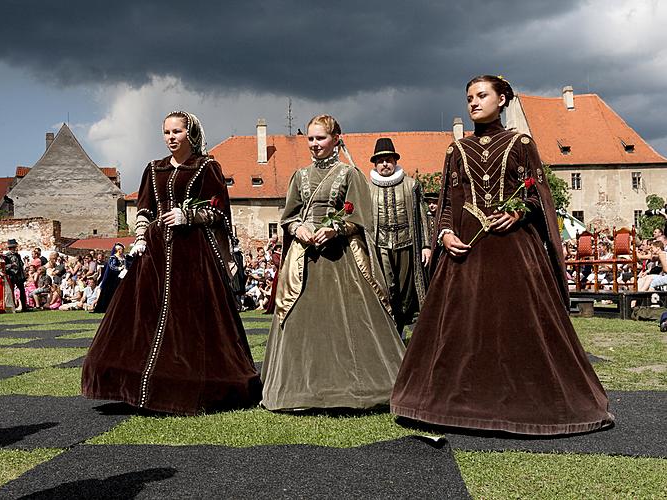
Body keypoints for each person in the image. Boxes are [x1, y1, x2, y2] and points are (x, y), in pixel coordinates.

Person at [391, 75, 613, 435]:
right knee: (457, 327)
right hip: (465, 253)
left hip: (513, 251)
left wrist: (519, 211)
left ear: (502, 99)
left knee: (520, 324)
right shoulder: (456, 150)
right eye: (469, 98)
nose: (473, 103)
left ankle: (529, 402)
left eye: (481, 96)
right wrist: (445, 233)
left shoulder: (521, 143)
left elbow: (537, 196)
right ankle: (452, 404)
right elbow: (448, 202)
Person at [82, 110, 261, 414]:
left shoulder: (207, 168)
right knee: (144, 316)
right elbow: (143, 210)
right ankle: (139, 385)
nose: (170, 138)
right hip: (154, 252)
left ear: (190, 133)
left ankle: (189, 381)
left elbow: (219, 213)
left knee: (189, 317)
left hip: (193, 253)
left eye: (176, 132)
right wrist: (139, 238)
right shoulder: (154, 168)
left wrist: (188, 215)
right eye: (166, 132)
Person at [261, 114, 405, 411]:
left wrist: (336, 228)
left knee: (352, 321)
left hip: (341, 259)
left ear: (336, 138)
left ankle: (354, 387)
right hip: (304, 256)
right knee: (302, 320)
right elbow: (288, 215)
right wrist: (297, 228)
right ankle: (299, 390)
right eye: (310, 139)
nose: (314, 144)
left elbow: (361, 217)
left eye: (320, 138)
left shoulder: (349, 174)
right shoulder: (299, 176)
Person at [368, 137, 431, 336]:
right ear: (375, 164)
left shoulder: (411, 185)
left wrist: (426, 245)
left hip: (407, 243)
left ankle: (403, 326)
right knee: (386, 288)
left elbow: (423, 216)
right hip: (381, 246)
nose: (385, 163)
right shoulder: (367, 189)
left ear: (395, 162)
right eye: (380, 160)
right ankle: (390, 330)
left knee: (405, 290)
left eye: (388, 159)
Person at [93, 243, 127, 313]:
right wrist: (119, 268)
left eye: (122, 249)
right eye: (120, 249)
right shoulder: (113, 258)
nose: (121, 250)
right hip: (113, 279)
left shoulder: (124, 257)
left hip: (123, 277)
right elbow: (112, 267)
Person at [4, 239, 29, 312]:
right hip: (12, 275)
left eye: (15, 247)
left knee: (22, 291)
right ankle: (12, 307)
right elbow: (4, 266)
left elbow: (21, 265)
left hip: (19, 276)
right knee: (11, 292)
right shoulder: (7, 256)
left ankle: (24, 307)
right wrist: (11, 265)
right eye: (13, 247)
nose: (14, 249)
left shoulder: (18, 255)